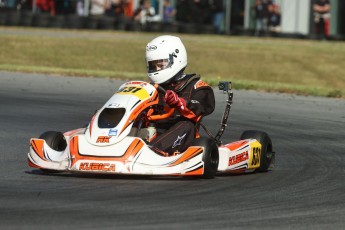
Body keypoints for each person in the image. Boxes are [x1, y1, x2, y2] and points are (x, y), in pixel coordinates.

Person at [145, 35, 215, 155]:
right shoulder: (150, 87)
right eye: (153, 65)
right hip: (152, 130)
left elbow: (201, 107)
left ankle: (150, 152)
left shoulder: (196, 86)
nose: (156, 68)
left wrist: (179, 102)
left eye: (160, 65)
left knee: (187, 125)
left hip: (180, 135)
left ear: (176, 59)